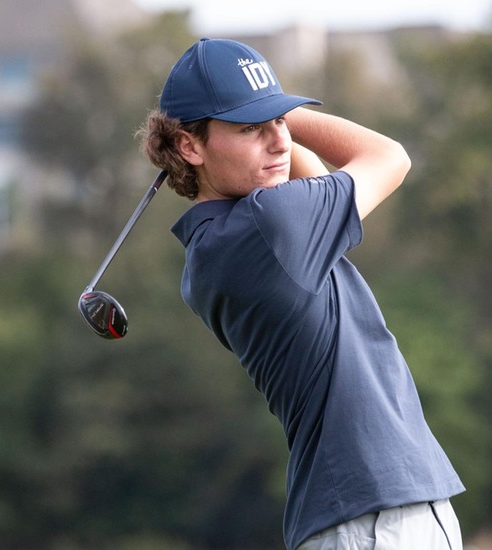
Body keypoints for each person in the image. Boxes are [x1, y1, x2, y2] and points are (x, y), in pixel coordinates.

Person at [139, 38, 466, 550]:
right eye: (250, 128)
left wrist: (266, 114)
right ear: (189, 145)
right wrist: (287, 108)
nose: (278, 142)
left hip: (363, 515)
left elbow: (312, 176)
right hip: (374, 518)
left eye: (280, 124)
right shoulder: (270, 225)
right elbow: (390, 157)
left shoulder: (217, 243)